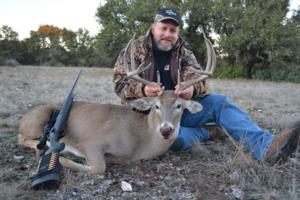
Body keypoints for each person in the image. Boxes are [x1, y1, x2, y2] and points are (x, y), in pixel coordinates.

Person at [113, 8, 300, 164]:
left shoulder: (184, 54)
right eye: (164, 28)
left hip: (179, 109)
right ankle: (206, 132)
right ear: (153, 28)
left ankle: (267, 147)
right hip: (148, 116)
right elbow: (119, 84)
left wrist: (191, 89)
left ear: (177, 34)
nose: (167, 34)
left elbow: (200, 80)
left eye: (173, 30)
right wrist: (143, 90)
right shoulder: (134, 51)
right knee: (176, 140)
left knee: (219, 103)